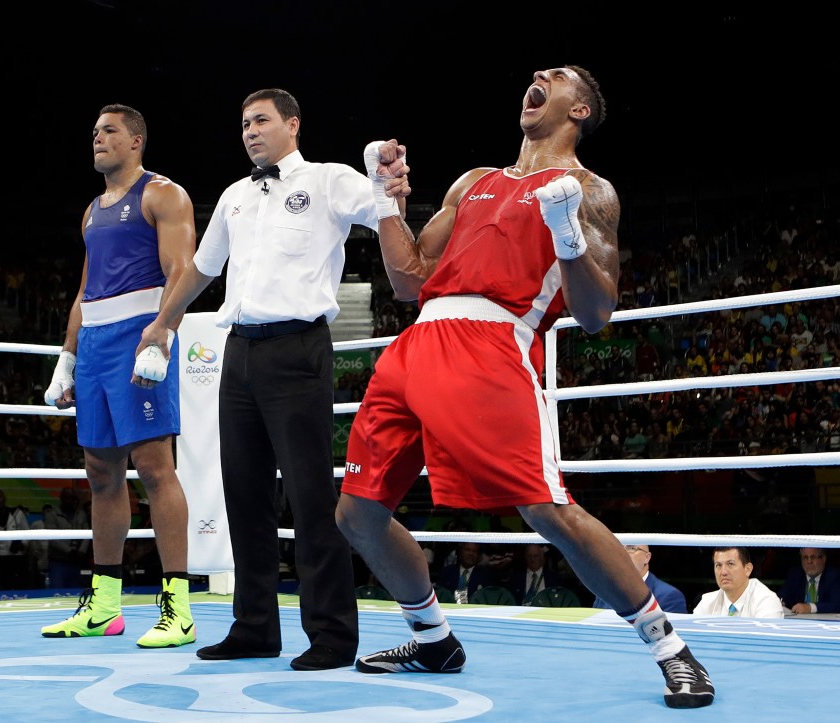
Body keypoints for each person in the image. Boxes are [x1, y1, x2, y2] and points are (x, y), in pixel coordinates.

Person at [334, 66, 714, 709]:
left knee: (546, 509)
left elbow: (595, 314)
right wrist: (383, 200)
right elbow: (409, 280)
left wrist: (566, 236)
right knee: (357, 513)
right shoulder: (474, 182)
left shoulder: (590, 191)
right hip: (415, 346)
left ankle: (670, 648)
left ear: (581, 111)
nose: (539, 75)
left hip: (493, 347)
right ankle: (433, 638)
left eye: (558, 75)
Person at [134, 88, 408, 671]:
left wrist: (387, 177)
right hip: (239, 355)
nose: (250, 131)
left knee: (311, 498)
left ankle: (333, 635)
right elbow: (204, 268)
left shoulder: (330, 180)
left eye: (261, 120)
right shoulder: (234, 195)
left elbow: (386, 207)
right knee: (245, 496)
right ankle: (255, 627)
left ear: (293, 125)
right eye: (243, 123)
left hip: (299, 350)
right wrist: (163, 323)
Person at [40, 103, 196, 648]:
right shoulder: (90, 211)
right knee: (99, 472)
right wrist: (67, 356)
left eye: (108, 131)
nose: (97, 139)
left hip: (141, 335)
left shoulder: (162, 194)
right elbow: (86, 289)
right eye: (93, 133)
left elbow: (183, 270)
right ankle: (105, 605)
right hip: (98, 343)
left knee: (154, 467)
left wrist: (163, 334)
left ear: (136, 141)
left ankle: (177, 606)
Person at [593, 544, 687, 614]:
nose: (623, 553)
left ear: (647, 557)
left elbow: (672, 639)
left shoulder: (668, 596)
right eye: (619, 548)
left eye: (631, 548)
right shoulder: (605, 592)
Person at [692, 547, 783, 618]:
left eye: (730, 564)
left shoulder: (766, 601)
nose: (723, 572)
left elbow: (764, 641)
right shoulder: (707, 602)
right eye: (718, 565)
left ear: (748, 569)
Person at [778, 547, 840, 614]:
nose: (809, 561)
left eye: (813, 557)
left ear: (823, 559)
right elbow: (783, 596)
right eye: (805, 557)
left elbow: (839, 605)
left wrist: (810, 608)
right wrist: (781, 602)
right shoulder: (795, 574)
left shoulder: (834, 576)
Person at [44, 487, 91, 589]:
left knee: (75, 592)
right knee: (57, 591)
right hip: (58, 561)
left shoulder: (81, 514)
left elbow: (87, 533)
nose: (71, 500)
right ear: (62, 498)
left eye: (73, 498)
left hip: (76, 560)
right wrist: (69, 551)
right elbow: (52, 538)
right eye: (68, 497)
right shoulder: (52, 514)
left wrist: (81, 551)